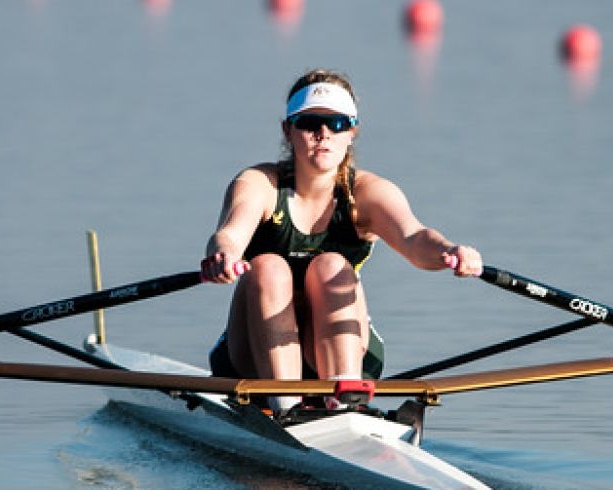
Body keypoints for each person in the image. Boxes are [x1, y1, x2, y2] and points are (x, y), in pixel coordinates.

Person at [200, 69, 482, 415]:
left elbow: (415, 238)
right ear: (288, 130)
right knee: (269, 267)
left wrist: (448, 251)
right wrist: (223, 254)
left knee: (331, 265)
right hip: (253, 360)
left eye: (336, 124)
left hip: (342, 353)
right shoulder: (260, 183)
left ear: (353, 132)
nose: (322, 133)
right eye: (309, 122)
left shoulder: (368, 192)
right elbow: (230, 233)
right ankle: (285, 406)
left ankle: (345, 403)